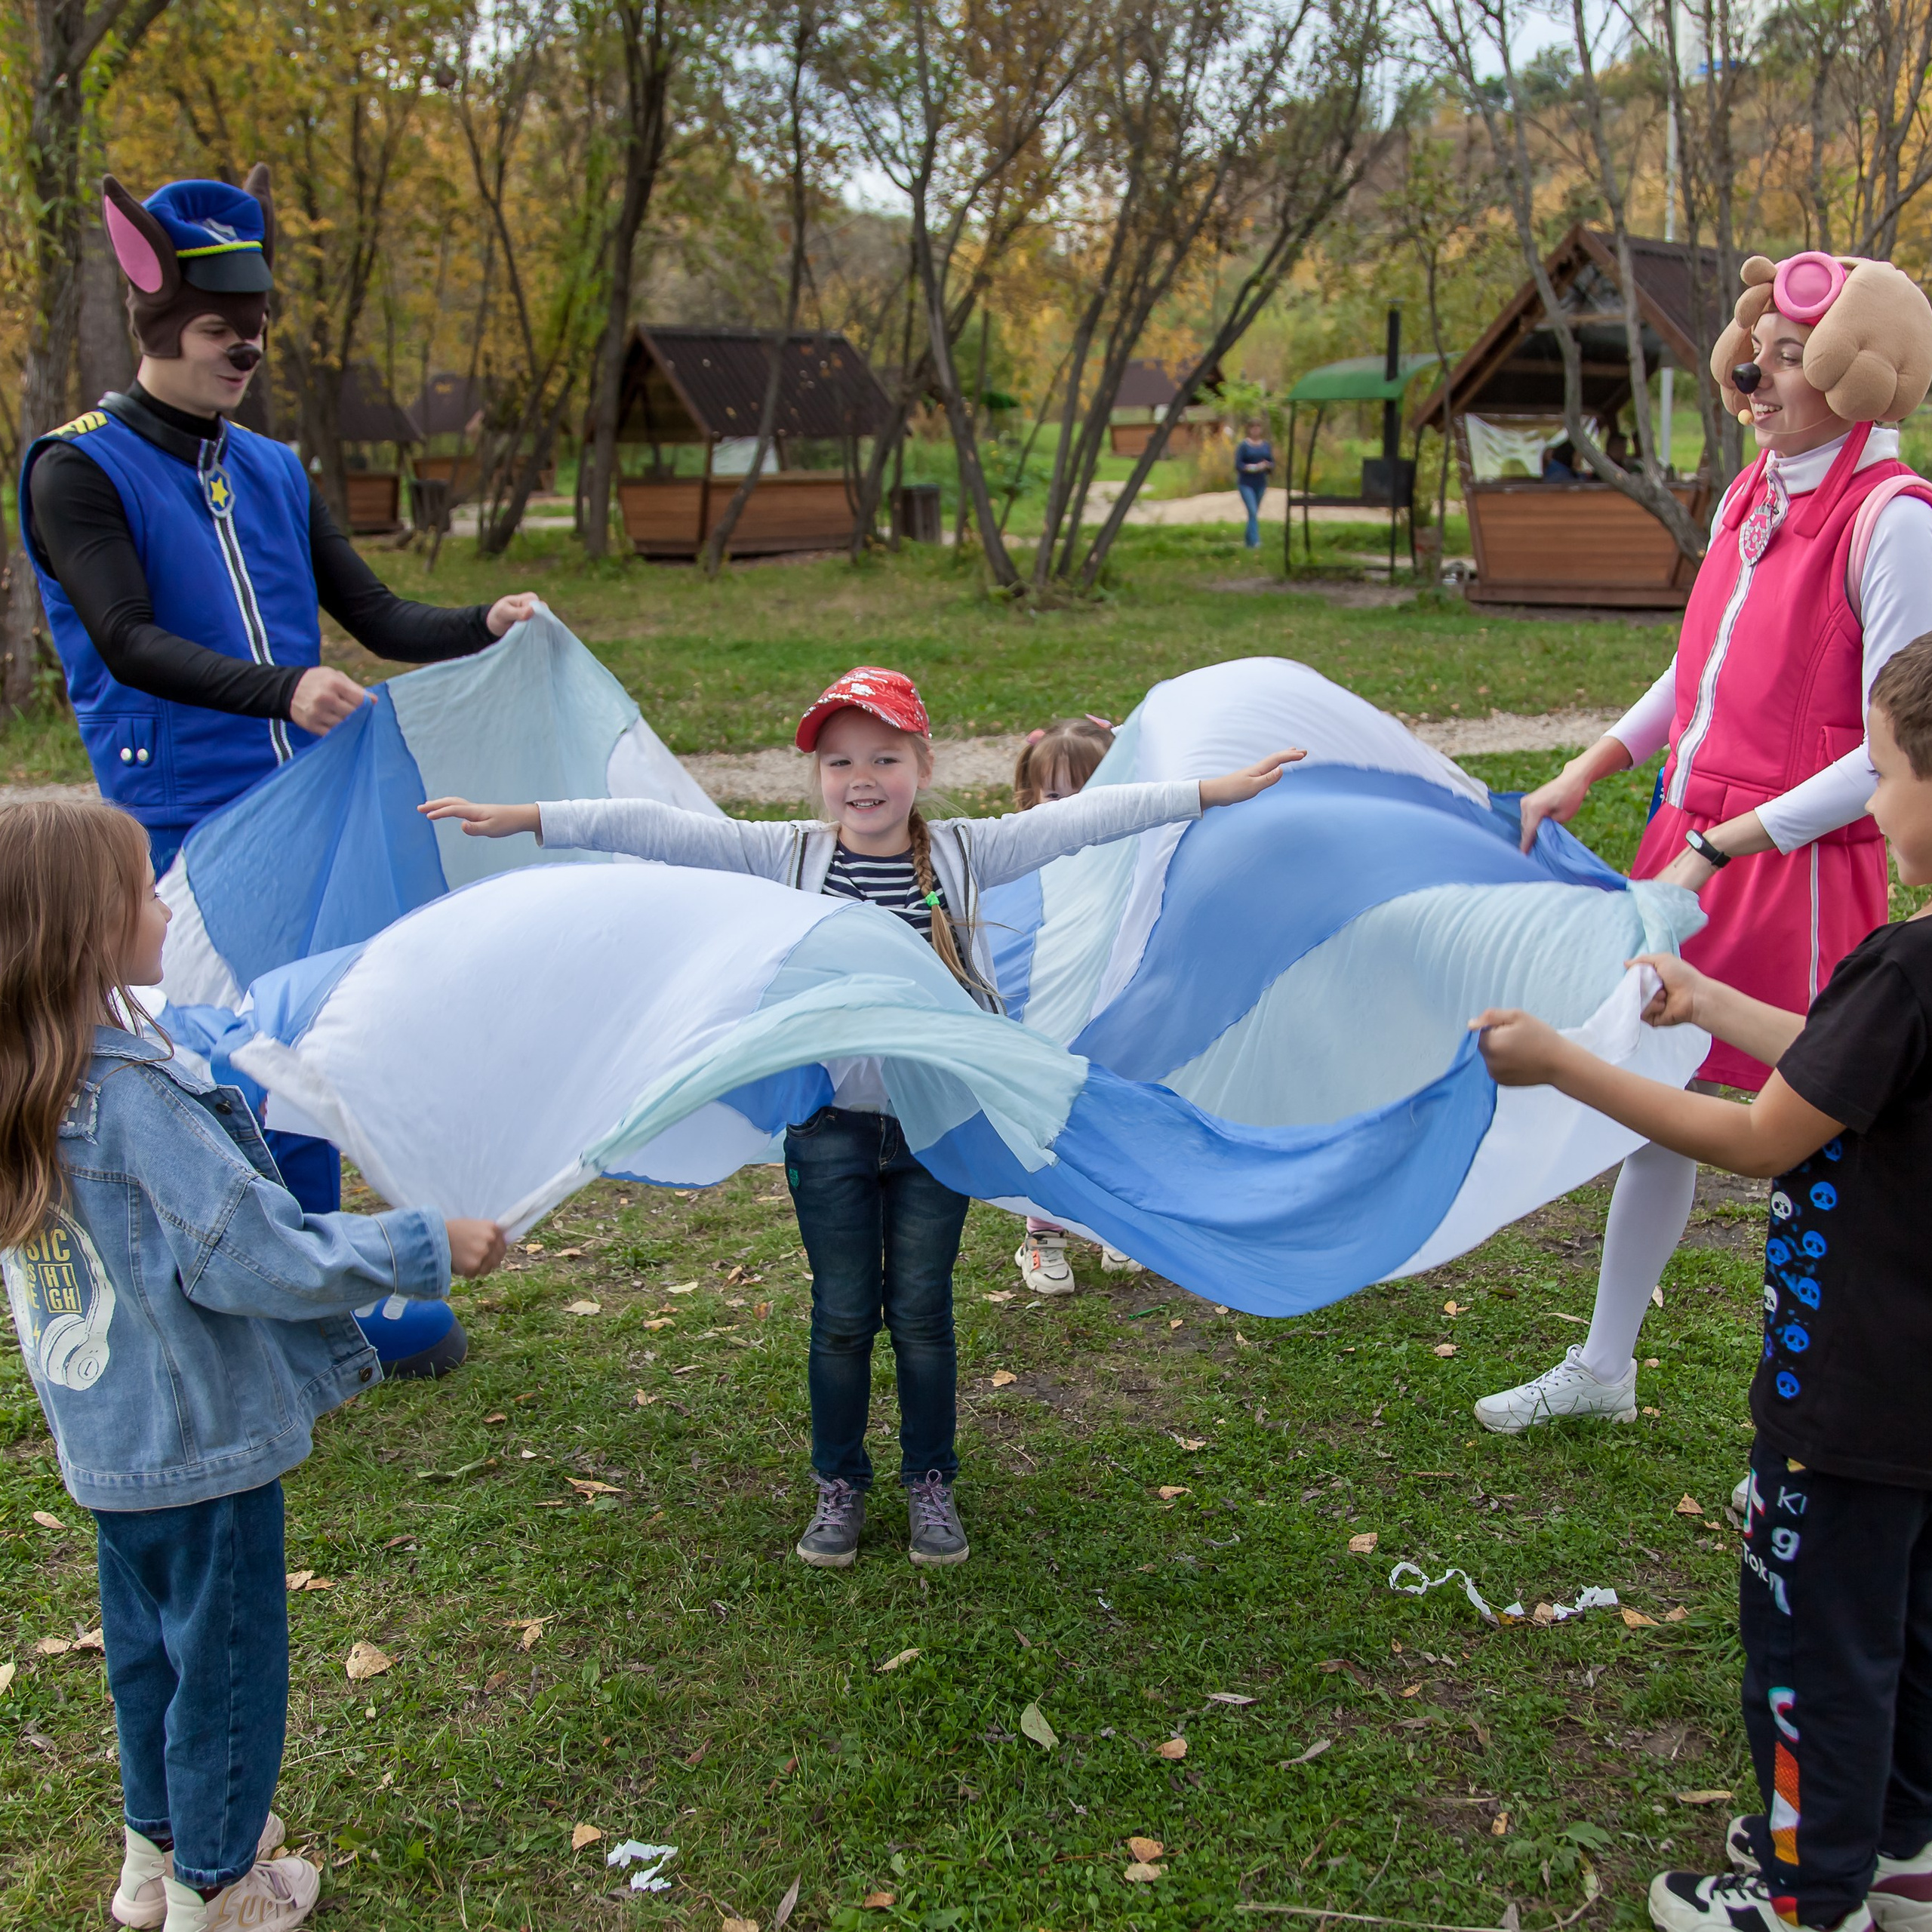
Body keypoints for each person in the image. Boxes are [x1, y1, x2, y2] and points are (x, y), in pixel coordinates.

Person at [419, 666, 1303, 1570]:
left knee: (921, 1312)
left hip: (938, 1130)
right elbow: (661, 830)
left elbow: (1083, 817)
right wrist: (532, 818)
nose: (862, 777)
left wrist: (1209, 793)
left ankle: (931, 1481)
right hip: (832, 1128)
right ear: (819, 777)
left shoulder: (966, 850)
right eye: (839, 761)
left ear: (922, 763)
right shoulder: (791, 856)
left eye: (885, 755)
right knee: (842, 1314)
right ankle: (838, 1483)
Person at [17, 170, 539, 1378]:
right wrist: (282, 690)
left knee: (304, 1045)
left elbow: (373, 611)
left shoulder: (275, 466)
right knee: (201, 1064)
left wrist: (486, 622)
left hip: (299, 810)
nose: (243, 348)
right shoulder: (75, 469)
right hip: (174, 824)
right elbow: (126, 639)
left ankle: (317, 1291)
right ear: (159, 326)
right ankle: (226, 1297)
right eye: (217, 330)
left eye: (256, 330)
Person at [1470, 635, 1932, 1932]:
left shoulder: (1904, 968)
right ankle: (1894, 1845)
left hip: (1847, 1407)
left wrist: (1564, 1064)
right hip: (1922, 1410)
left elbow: (1756, 1135)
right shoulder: (1914, 979)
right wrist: (1711, 1002)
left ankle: (1801, 1895)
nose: (1872, 795)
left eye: (1885, 771)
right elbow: (1840, 1068)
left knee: (1812, 1649)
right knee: (1909, 1633)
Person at [0, 799, 504, 1932]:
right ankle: (219, 1888)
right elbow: (255, 1257)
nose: (162, 905)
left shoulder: (32, 1084)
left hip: (109, 1449)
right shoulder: (130, 1103)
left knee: (149, 1662)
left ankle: (154, 1858)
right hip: (200, 1451)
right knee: (223, 1672)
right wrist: (424, 1243)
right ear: (86, 934)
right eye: (141, 889)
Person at [1474, 248, 1932, 1437]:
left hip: (1800, 859)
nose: (1760, 378)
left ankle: (1816, 1418)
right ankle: (1606, 1366)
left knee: (1811, 1139)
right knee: (1656, 1093)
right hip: (1700, 835)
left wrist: (1729, 843)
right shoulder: (1749, 492)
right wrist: (1594, 766)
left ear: (1863, 375)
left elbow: (1897, 748)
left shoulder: (1893, 520)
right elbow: (1697, 673)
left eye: (1795, 359)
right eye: (1761, 353)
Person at [1008, 715, 1145, 1294]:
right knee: (1048, 1113)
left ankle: (1110, 1216)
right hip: (1049, 1014)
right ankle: (1043, 1231)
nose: (1073, 810)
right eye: (1058, 796)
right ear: (1032, 798)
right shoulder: (1020, 858)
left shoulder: (1133, 857)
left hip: (1111, 1009)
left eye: (1090, 796)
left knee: (1112, 1107)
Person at [1234, 417, 1274, 549]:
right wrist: (1253, 467)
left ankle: (1248, 542)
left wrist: (1267, 466)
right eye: (1253, 427)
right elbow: (1238, 465)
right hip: (1246, 483)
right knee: (1252, 511)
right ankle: (1256, 542)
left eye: (1258, 427)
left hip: (1261, 483)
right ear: (1249, 429)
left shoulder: (1265, 445)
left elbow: (1271, 463)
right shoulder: (1244, 446)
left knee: (1254, 513)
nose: (1256, 430)